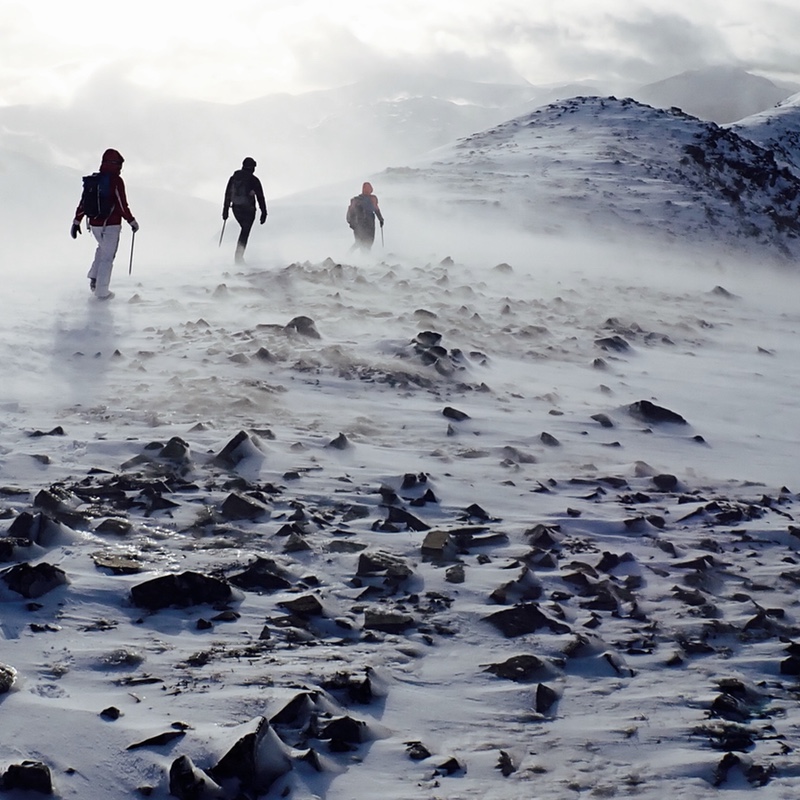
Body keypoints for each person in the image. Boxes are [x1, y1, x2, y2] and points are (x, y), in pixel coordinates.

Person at [71, 148, 139, 300]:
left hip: (94, 224)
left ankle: (94, 278)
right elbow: (122, 204)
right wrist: (131, 221)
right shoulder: (116, 181)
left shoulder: (94, 181)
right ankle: (102, 292)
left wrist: (77, 221)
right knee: (108, 257)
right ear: (115, 164)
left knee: (102, 249)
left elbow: (83, 203)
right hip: (111, 225)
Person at [222, 157, 268, 264]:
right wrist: (264, 212)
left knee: (244, 230)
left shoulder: (233, 178)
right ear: (252, 167)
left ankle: (238, 256)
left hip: (236, 208)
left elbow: (227, 194)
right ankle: (238, 257)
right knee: (245, 231)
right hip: (249, 209)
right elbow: (260, 197)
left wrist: (225, 211)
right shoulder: (254, 180)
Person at [347, 181, 384, 251]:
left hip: (361, 224)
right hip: (364, 224)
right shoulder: (370, 199)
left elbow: (376, 209)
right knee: (364, 242)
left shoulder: (356, 200)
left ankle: (361, 258)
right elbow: (376, 209)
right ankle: (353, 256)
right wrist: (381, 219)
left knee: (363, 242)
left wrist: (381, 219)